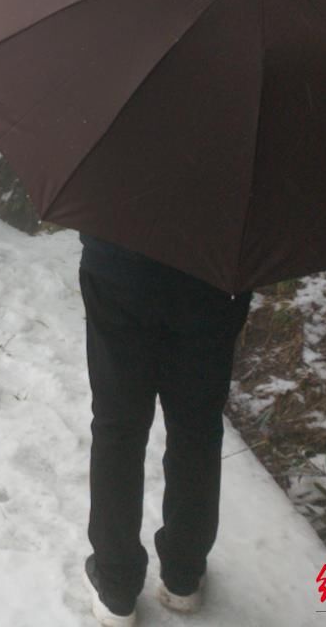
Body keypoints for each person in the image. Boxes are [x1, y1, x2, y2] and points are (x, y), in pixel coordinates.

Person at [78, 233, 253, 627]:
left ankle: (115, 587)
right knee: (196, 428)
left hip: (118, 266)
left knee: (118, 427)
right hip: (214, 274)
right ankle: (183, 574)